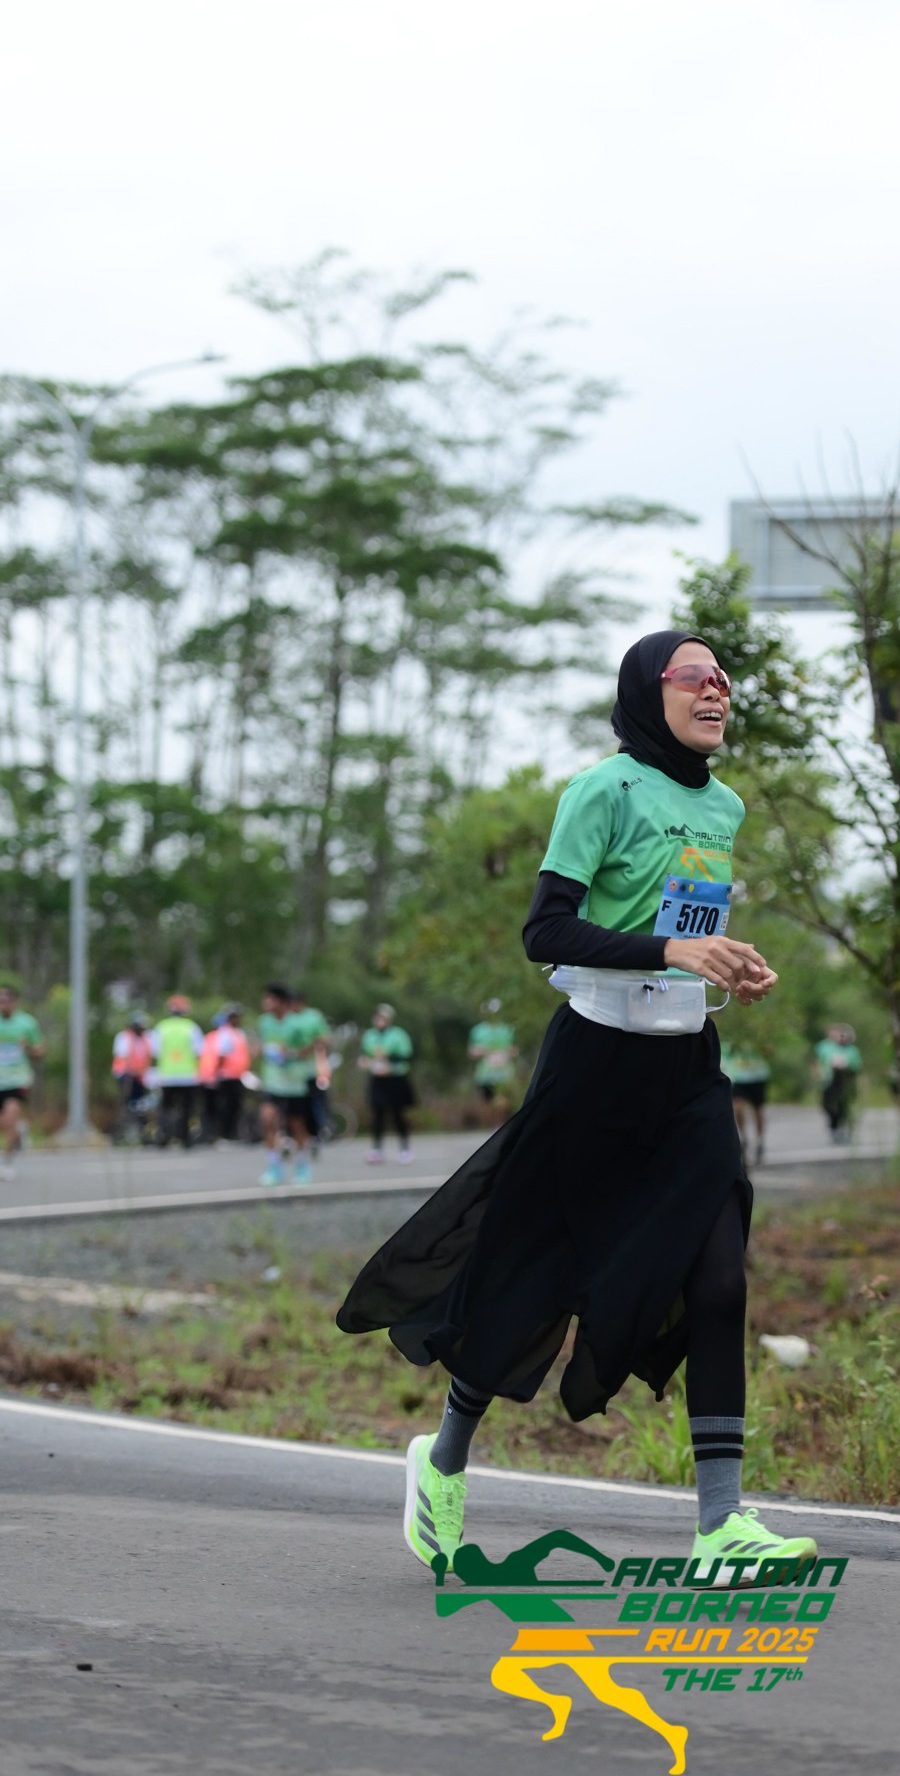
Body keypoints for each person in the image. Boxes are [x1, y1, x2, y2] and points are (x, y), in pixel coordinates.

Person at [338, 630, 817, 1580]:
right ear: (647, 692)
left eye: (724, 679)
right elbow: (547, 929)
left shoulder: (723, 805)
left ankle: (720, 1526)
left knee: (720, 1276)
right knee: (530, 1280)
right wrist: (672, 951)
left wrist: (723, 961)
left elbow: (681, 924)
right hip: (594, 1070)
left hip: (688, 1071)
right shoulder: (602, 791)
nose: (716, 690)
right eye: (694, 676)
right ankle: (442, 1462)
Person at [256, 983, 312, 1187]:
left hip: (294, 1084)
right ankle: (274, 1167)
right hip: (272, 1082)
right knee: (267, 1119)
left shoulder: (296, 1024)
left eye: (269, 998)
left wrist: (290, 1053)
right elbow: (263, 1044)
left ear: (280, 1002)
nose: (265, 1002)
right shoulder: (264, 1022)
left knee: (296, 1125)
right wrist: (261, 1050)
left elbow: (309, 1047)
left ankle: (302, 1166)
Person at [359, 1004, 415, 1164]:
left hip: (395, 1078)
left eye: (383, 1017)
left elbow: (406, 1055)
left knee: (398, 1114)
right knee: (377, 1114)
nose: (380, 1020)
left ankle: (405, 1148)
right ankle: (376, 1149)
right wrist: (366, 1061)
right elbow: (366, 1055)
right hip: (378, 1078)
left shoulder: (398, 1035)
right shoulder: (370, 1035)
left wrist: (387, 1058)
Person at [0, 984, 43, 1181]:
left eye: (5, 1001)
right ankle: (19, 1132)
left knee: (10, 1120)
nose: (2, 1005)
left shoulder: (27, 1023)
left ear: (14, 1002)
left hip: (16, 1080)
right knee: (8, 1124)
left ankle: (7, 1163)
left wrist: (29, 1048)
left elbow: (40, 1051)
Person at [151, 995, 204, 1149]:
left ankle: (164, 1135)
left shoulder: (161, 1028)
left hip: (167, 1076)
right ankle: (185, 1138)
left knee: (166, 1107)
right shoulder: (191, 1027)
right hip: (188, 1076)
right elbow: (199, 1051)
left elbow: (155, 1051)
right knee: (186, 1108)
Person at [288, 986, 331, 1160]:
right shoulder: (286, 1018)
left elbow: (324, 1038)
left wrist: (310, 1046)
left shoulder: (313, 1017)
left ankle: (314, 1136)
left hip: (310, 1070)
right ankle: (290, 1138)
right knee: (291, 1107)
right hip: (290, 1072)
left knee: (311, 1105)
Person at [199, 1005, 251, 1144]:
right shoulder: (225, 1033)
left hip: (236, 1075)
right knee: (225, 1106)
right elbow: (221, 1055)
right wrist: (216, 1073)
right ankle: (223, 1134)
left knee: (234, 1106)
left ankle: (230, 1133)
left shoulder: (238, 1033)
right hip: (225, 1076)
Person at [721, 1035, 770, 1167]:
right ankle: (743, 1138)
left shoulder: (758, 1033)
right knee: (737, 1107)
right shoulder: (732, 1034)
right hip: (738, 1077)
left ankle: (759, 1141)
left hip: (757, 1076)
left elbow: (768, 1051)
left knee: (758, 1110)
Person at [467, 1000, 517, 1118]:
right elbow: (471, 1052)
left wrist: (505, 1053)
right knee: (488, 1101)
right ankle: (493, 1125)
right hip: (485, 1074)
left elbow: (514, 1049)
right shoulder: (478, 1030)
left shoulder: (508, 1028)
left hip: (505, 1072)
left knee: (503, 1101)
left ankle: (502, 1123)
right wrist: (483, 1051)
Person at [815, 1022, 861, 1142]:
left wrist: (845, 1066)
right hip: (829, 1081)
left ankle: (841, 1128)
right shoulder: (825, 1047)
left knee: (842, 1106)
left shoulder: (852, 1050)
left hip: (844, 1082)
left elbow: (857, 1066)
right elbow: (819, 1061)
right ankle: (834, 1125)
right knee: (828, 1105)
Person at [111, 1012, 152, 1121]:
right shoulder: (124, 1037)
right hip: (125, 1074)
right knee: (130, 1099)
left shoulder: (146, 1038)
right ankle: (129, 1119)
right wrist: (135, 1071)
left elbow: (148, 1056)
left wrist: (143, 1072)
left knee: (141, 1100)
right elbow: (125, 1058)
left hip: (140, 1076)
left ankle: (141, 1120)